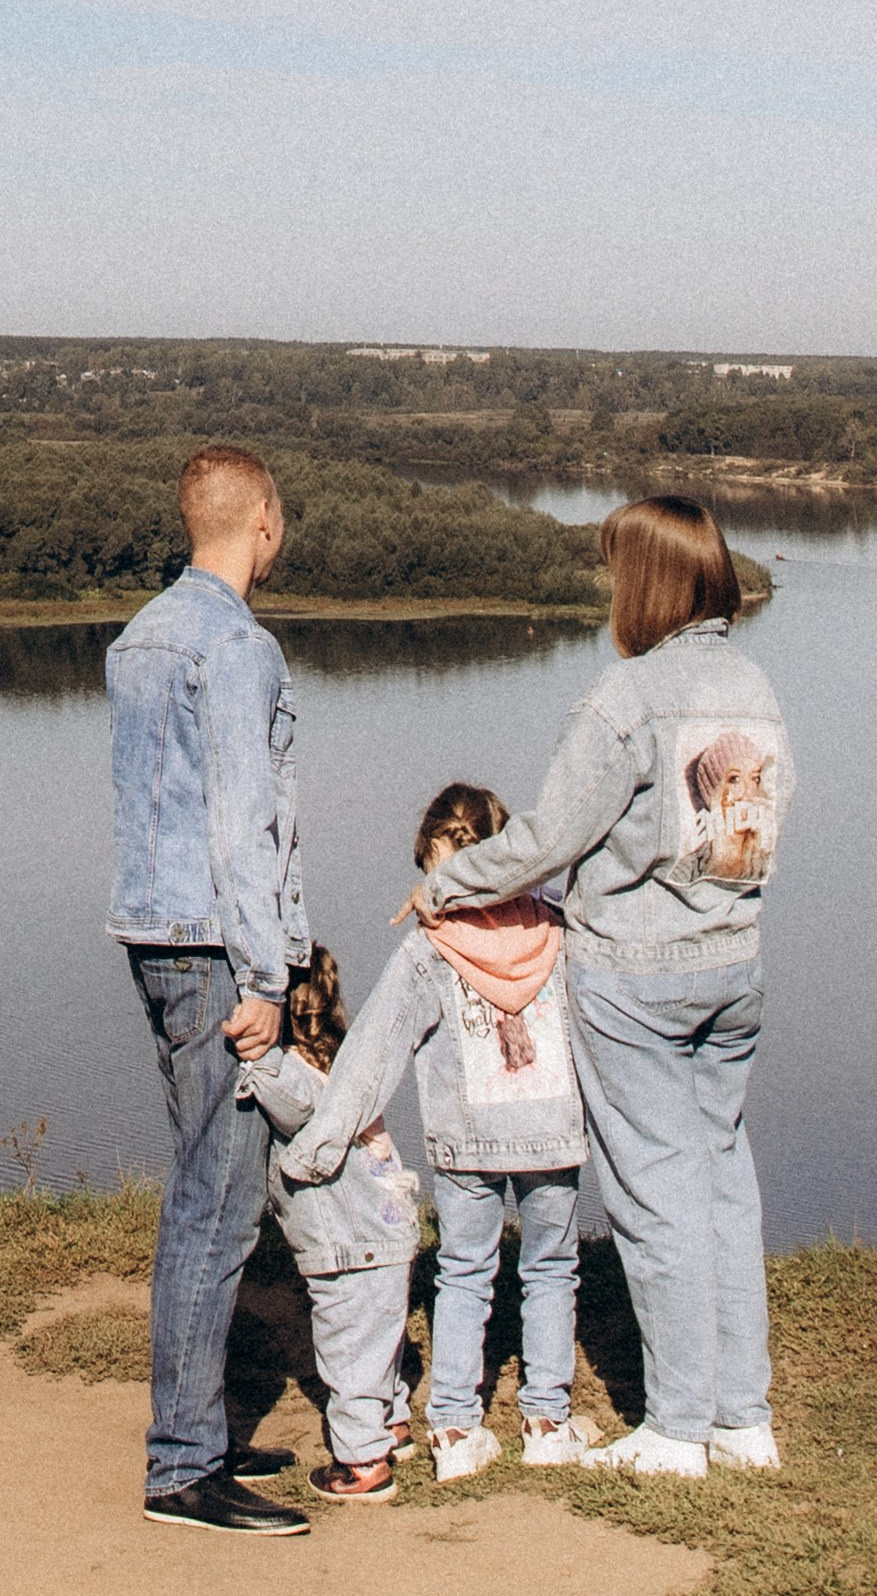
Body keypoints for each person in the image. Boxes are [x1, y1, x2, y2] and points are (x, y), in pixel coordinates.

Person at [410, 495, 794, 1481]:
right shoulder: (752, 684)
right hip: (734, 963)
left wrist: (447, 883)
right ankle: (742, 1418)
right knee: (721, 1180)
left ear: (646, 582)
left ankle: (673, 1426)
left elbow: (546, 838)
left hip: (636, 976)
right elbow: (751, 833)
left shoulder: (625, 698)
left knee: (653, 1195)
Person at [107, 442, 313, 1539]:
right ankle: (183, 1467)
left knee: (202, 1185)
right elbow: (241, 824)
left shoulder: (144, 634)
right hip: (214, 953)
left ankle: (200, 1429)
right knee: (218, 1204)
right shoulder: (236, 649)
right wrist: (269, 975)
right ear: (263, 523)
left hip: (153, 937)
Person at [277, 780, 595, 1479]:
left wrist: (317, 1145)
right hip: (552, 1133)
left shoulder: (427, 952)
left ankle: (453, 1426)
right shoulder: (559, 928)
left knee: (462, 1271)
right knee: (550, 1269)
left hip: (465, 1144)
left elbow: (370, 1054)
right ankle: (546, 1419)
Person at [237, 948, 423, 1504]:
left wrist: (247, 1047)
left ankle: (362, 1463)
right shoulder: (346, 1059)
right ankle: (393, 1425)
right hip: (391, 1229)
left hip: (346, 1243)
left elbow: (284, 1100)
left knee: (346, 1350)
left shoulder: (290, 1073)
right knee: (380, 1342)